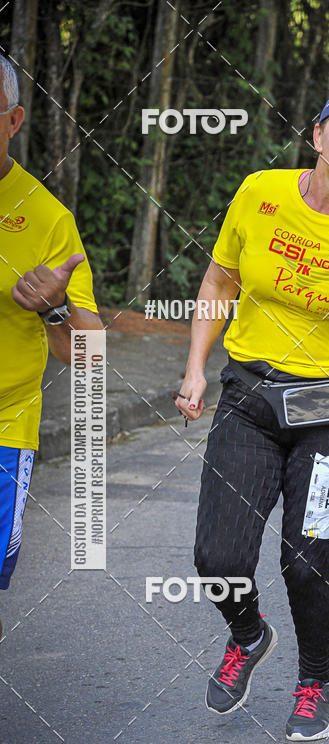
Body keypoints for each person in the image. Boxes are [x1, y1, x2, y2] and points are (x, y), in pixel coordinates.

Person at [176, 81, 329, 740]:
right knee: (217, 558)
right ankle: (248, 634)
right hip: (250, 400)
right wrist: (197, 366)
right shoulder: (261, 191)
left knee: (308, 563)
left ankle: (317, 681)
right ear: (318, 134)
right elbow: (220, 278)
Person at [0, 55, 102, 609]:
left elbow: (88, 352)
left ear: (13, 121)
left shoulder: (47, 218)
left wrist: (56, 308)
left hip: (3, 425)